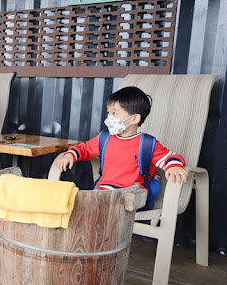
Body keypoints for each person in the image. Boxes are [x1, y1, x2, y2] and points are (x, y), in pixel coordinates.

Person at [55, 86, 188, 203]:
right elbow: (85, 149)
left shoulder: (147, 144)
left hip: (133, 192)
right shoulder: (104, 138)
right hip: (105, 189)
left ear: (135, 119)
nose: (109, 118)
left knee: (107, 204)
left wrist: (174, 166)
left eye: (114, 113)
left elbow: (169, 157)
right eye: (109, 112)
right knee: (86, 201)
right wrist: (70, 155)